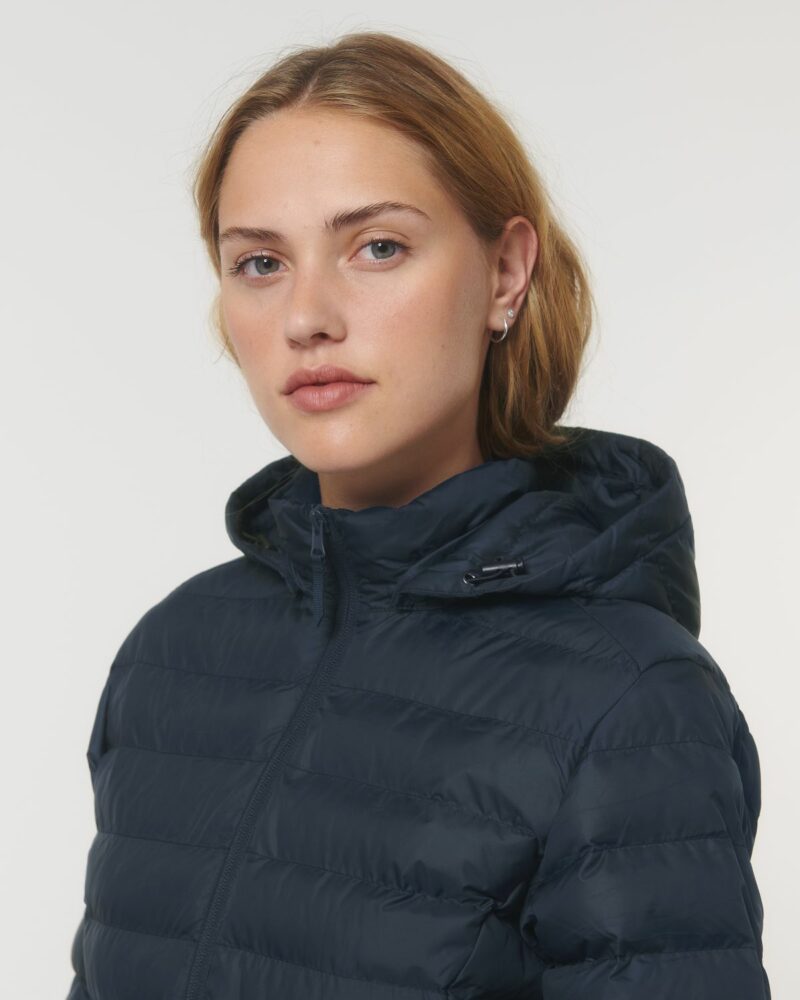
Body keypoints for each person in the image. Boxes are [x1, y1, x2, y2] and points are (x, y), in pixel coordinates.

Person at [65, 30, 770, 1000]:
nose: (307, 317)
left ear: (504, 273)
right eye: (260, 262)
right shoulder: (173, 653)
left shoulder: (628, 701)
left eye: (378, 247)